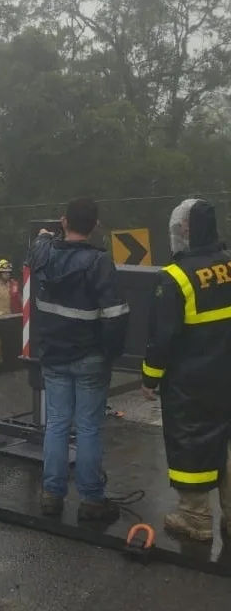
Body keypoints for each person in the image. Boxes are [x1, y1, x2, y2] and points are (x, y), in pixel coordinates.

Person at [29, 198, 130, 522]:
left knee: (57, 424)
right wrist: (109, 353)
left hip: (53, 356)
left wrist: (46, 236)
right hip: (90, 358)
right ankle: (91, 500)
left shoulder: (45, 254)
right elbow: (115, 315)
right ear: (96, 226)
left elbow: (37, 248)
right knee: (87, 427)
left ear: (63, 221)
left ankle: (51, 495)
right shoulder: (98, 262)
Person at [141, 198, 231, 541]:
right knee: (228, 443)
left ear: (186, 230)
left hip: (191, 384)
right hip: (227, 376)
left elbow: (162, 338)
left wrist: (150, 377)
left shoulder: (176, 277)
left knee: (191, 442)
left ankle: (196, 517)